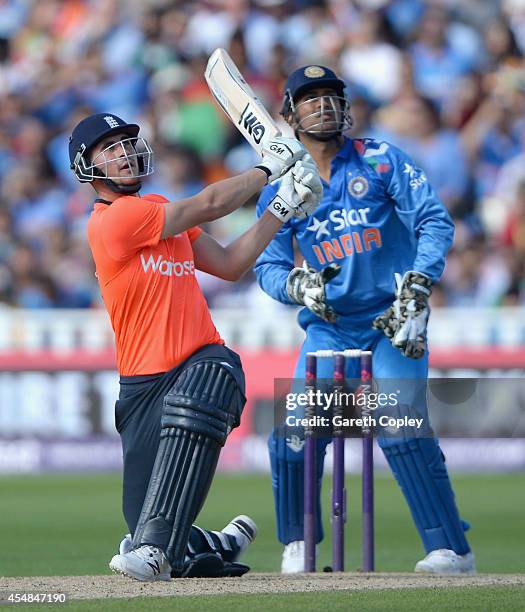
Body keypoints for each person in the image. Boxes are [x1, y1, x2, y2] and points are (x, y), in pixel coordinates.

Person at [68, 112, 322, 581]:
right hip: (143, 383)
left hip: (200, 363)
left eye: (128, 142)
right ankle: (210, 543)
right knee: (145, 523)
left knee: (210, 376)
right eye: (110, 147)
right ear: (88, 165)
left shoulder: (158, 210)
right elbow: (208, 203)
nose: (124, 152)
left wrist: (279, 209)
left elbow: (230, 263)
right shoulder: (116, 220)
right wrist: (267, 170)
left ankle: (157, 551)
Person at [254, 66, 476, 574]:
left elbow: (433, 220)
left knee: (400, 426)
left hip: (390, 317)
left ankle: (451, 550)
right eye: (310, 99)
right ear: (289, 115)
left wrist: (419, 283)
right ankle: (298, 544)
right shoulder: (282, 186)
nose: (324, 106)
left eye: (332, 96)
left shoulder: (378, 159)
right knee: (294, 432)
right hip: (330, 325)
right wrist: (297, 287)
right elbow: (267, 266)